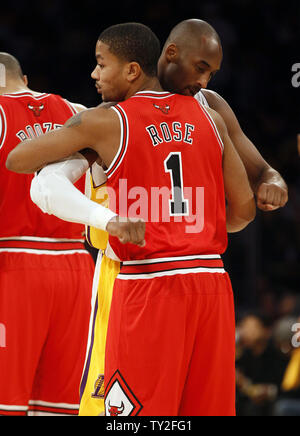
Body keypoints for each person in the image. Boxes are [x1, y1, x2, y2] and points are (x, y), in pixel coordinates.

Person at [25, 18, 288, 416]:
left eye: (211, 73)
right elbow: (52, 179)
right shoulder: (114, 109)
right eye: (201, 68)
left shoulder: (208, 104)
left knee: (148, 409)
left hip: (165, 270)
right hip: (126, 270)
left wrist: (276, 180)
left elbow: (263, 171)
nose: (204, 80)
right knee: (112, 404)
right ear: (169, 54)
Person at [0, 53, 96, 416]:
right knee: (61, 405)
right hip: (77, 266)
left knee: (6, 400)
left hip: (13, 265)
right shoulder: (78, 109)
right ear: (23, 77)